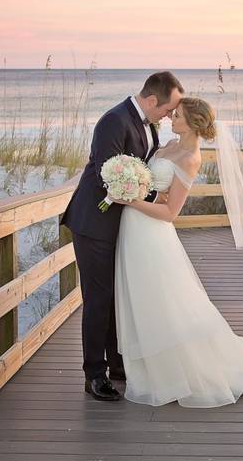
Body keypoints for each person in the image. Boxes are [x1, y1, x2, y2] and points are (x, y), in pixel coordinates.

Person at [111, 96, 243, 407]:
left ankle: (173, 370)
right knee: (142, 295)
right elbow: (156, 190)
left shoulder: (190, 158)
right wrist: (131, 186)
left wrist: (129, 200)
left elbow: (171, 212)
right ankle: (146, 365)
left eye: (177, 115)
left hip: (152, 231)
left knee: (166, 298)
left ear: (193, 123)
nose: (170, 118)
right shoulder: (167, 145)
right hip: (134, 227)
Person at [60, 71, 183, 401]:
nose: (169, 116)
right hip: (94, 222)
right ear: (152, 100)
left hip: (121, 224)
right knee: (98, 299)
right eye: (168, 110)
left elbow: (139, 168)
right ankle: (94, 374)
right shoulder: (114, 121)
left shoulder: (147, 123)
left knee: (117, 297)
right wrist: (153, 199)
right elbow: (107, 176)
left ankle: (117, 364)